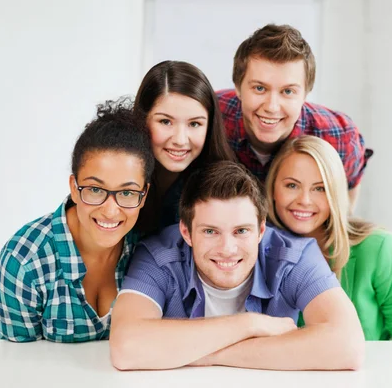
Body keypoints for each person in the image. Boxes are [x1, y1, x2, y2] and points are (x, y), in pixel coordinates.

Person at [109, 161, 364, 371]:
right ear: (186, 232)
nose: (227, 249)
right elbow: (125, 347)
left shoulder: (295, 257)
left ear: (261, 230)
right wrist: (249, 324)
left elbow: (348, 345)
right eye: (210, 231)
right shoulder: (158, 255)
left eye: (241, 231)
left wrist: (203, 355)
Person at [0, 100, 155, 342]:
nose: (111, 211)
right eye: (95, 190)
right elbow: (15, 365)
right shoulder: (24, 260)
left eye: (127, 193)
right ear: (74, 189)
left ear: (144, 196)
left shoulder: (148, 251)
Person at [265, 135, 392, 341]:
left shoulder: (378, 248)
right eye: (292, 185)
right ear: (273, 189)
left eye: (319, 189)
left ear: (336, 193)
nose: (304, 200)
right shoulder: (257, 251)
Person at [217, 24, 371, 210]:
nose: (272, 107)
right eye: (259, 88)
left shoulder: (339, 136)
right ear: (238, 87)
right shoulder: (209, 116)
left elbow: (346, 199)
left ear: (305, 94)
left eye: (288, 91)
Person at [133, 60, 236, 235]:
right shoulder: (119, 170)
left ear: (209, 126)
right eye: (165, 121)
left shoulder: (224, 187)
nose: (180, 140)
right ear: (143, 119)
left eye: (194, 124)